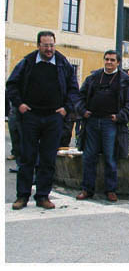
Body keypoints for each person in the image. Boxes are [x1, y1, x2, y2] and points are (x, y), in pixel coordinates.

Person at [6, 30, 79, 210]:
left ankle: (43, 196)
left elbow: (73, 88)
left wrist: (66, 109)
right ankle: (22, 196)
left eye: (52, 45)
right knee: (27, 157)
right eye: (45, 45)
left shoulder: (63, 64)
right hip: (30, 116)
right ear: (38, 45)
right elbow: (12, 85)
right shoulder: (27, 62)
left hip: (53, 117)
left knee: (47, 159)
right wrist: (20, 104)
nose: (49, 49)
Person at [75, 50, 129, 202]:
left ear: (118, 62)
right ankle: (87, 189)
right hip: (92, 122)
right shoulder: (93, 78)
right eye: (107, 59)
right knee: (89, 157)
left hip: (111, 123)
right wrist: (83, 111)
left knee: (110, 157)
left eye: (112, 60)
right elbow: (80, 97)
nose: (109, 62)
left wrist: (119, 117)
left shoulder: (124, 80)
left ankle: (110, 190)